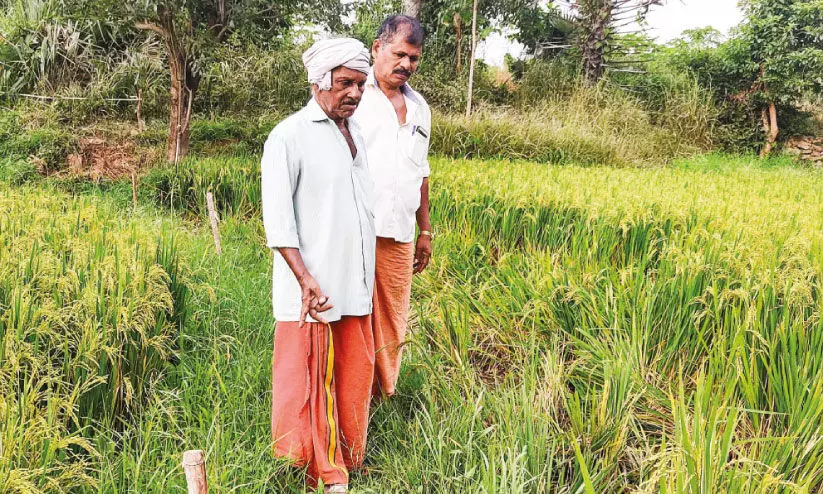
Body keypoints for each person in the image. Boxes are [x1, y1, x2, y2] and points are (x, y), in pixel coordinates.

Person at [261, 37, 375, 494]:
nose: (355, 93)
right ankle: (323, 472)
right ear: (319, 81)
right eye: (345, 83)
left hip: (355, 282)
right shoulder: (289, 135)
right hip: (315, 287)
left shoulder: (356, 133)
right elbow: (278, 222)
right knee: (313, 378)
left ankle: (348, 457)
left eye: (361, 84)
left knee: (352, 373)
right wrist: (305, 279)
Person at [352, 15, 432, 398]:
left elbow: (421, 171)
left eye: (413, 58)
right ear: (377, 48)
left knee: (392, 317)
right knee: (352, 312)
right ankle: (348, 392)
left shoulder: (420, 108)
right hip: (356, 229)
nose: (406, 64)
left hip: (400, 233)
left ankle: (382, 393)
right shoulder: (353, 95)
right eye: (399, 54)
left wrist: (425, 230)